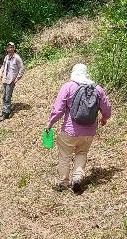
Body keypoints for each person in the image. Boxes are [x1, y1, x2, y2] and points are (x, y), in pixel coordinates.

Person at [47, 63, 112, 193]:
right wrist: (104, 118)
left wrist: (50, 123)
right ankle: (77, 178)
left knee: (65, 155)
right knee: (81, 153)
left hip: (70, 131)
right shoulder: (97, 89)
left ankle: (63, 182)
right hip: (89, 132)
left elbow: (58, 109)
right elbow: (107, 108)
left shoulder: (68, 86)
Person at [0, 42, 25, 121]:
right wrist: (1, 72)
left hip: (11, 80)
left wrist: (17, 78)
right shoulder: (6, 57)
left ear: (14, 48)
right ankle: (4, 111)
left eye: (12, 47)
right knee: (4, 96)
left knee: (7, 97)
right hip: (5, 79)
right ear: (7, 49)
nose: (10, 49)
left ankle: (6, 114)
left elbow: (22, 68)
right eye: (9, 47)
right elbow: (3, 65)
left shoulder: (17, 58)